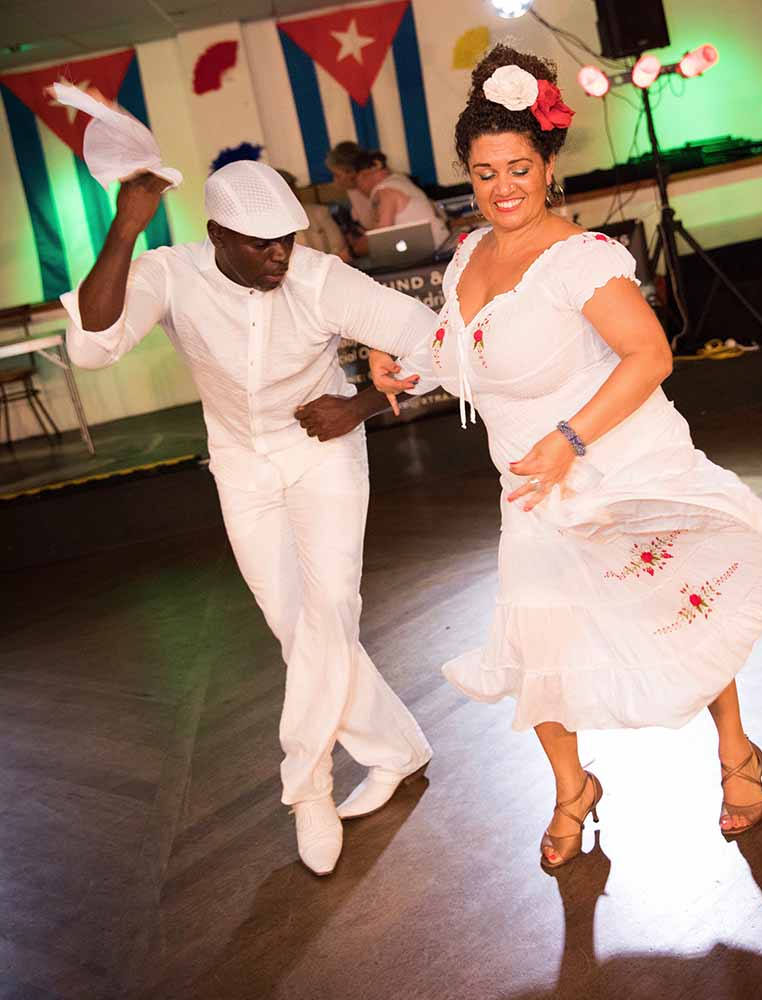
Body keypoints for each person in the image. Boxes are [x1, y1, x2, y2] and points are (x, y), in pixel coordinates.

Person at [368, 46, 762, 868]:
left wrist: (569, 439)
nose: (502, 187)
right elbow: (462, 350)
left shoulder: (578, 259)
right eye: (484, 173)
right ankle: (572, 788)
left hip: (615, 471)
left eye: (518, 167)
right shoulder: (471, 255)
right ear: (466, 180)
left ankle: (736, 757)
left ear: (548, 166)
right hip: (531, 493)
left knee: (677, 617)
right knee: (536, 644)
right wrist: (405, 361)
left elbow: (651, 356)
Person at [62, 160, 436, 876]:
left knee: (330, 609)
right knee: (295, 623)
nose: (279, 254)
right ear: (216, 236)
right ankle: (397, 750)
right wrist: (126, 226)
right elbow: (90, 344)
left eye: (287, 239)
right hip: (240, 465)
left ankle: (307, 788)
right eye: (260, 242)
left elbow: (436, 339)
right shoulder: (171, 273)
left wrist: (355, 404)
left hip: (322, 454)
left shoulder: (320, 278)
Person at [353, 151, 450, 248]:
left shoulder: (384, 191)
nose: (359, 189)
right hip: (441, 241)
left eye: (356, 182)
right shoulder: (401, 181)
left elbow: (380, 237)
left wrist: (353, 250)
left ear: (364, 174)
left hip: (430, 250)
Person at [276, 168, 351, 261]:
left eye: (294, 189)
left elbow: (339, 248)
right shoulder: (270, 227)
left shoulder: (319, 212)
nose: (293, 194)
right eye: (286, 191)